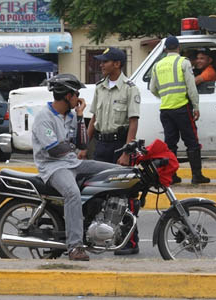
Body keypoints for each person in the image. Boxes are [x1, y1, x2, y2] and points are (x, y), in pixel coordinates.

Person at [32, 74, 117, 261]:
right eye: (76, 93)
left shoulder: (70, 115)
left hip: (74, 163)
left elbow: (83, 144)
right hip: (53, 167)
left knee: (115, 172)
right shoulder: (43, 117)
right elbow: (54, 150)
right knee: (72, 193)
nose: (79, 97)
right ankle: (75, 247)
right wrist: (71, 146)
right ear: (67, 96)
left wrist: (80, 117)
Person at [81, 47, 141, 255]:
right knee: (97, 194)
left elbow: (133, 122)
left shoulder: (130, 88)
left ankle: (130, 242)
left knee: (125, 195)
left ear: (117, 64)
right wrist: (84, 146)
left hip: (120, 146)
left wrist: (126, 152)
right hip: (101, 146)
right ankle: (98, 237)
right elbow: (94, 120)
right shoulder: (100, 87)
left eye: (105, 61)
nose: (101, 64)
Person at [149, 36, 211, 185]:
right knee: (192, 142)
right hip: (182, 108)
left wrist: (165, 96)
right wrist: (196, 106)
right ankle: (197, 176)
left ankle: (172, 176)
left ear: (165, 49)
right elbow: (191, 86)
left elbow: (153, 89)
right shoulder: (183, 62)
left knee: (170, 144)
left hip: (165, 109)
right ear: (178, 48)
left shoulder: (158, 65)